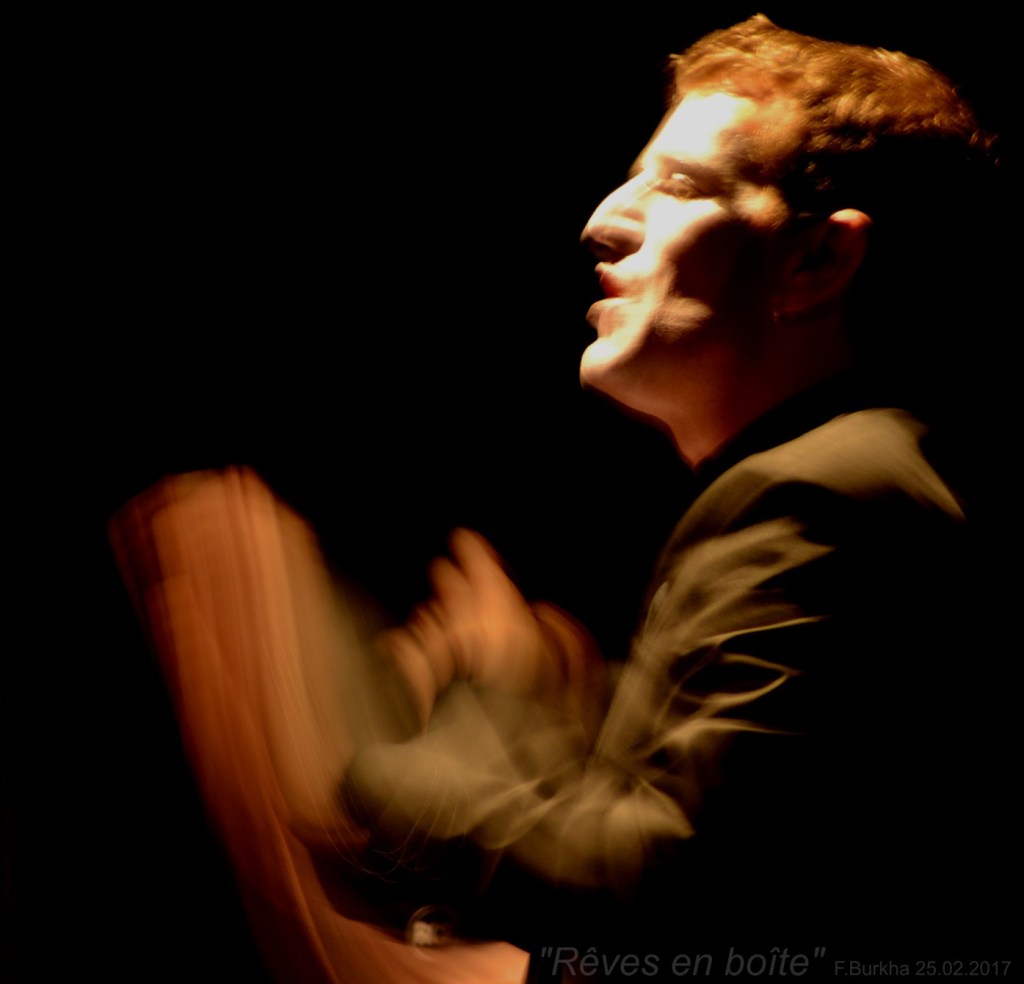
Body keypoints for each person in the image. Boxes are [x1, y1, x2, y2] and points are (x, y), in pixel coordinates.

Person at [335, 13, 1010, 978]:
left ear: (815, 262)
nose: (603, 220)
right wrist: (532, 707)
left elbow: (676, 902)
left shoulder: (815, 498)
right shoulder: (849, 480)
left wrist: (375, 775)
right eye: (635, 178)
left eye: (682, 186)